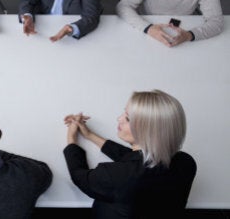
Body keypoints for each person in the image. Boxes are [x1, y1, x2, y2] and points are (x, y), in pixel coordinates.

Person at [63, 90, 196, 218]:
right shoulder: (186, 163)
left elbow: (79, 175)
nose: (119, 119)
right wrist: (90, 135)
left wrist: (71, 139)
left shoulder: (116, 175)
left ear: (146, 131)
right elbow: (134, 159)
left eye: (127, 118)